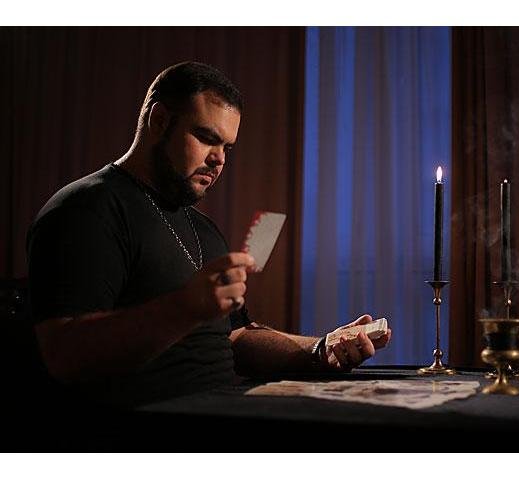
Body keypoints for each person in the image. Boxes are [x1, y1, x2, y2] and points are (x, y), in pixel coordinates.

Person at [27, 61, 392, 407]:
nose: (219, 159)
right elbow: (64, 355)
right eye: (206, 138)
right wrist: (184, 308)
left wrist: (321, 349)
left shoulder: (203, 228)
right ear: (159, 120)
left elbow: (235, 336)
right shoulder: (86, 209)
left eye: (226, 147)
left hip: (231, 406)